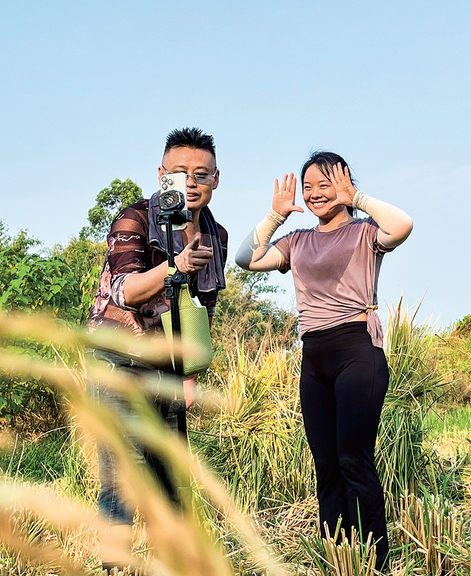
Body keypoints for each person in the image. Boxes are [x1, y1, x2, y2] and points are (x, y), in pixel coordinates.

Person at [235, 151, 412, 570]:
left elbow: (403, 225)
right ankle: (338, 556)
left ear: (346, 184)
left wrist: (359, 198)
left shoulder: (366, 233)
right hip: (314, 356)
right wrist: (275, 216)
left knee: (353, 456)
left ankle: (376, 559)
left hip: (357, 349)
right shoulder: (297, 241)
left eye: (325, 185)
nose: (314, 194)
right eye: (308, 186)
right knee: (326, 463)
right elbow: (247, 259)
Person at [87, 127, 227, 573]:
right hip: (120, 361)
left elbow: (201, 311)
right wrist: (177, 265)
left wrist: (189, 375)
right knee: (123, 477)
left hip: (169, 366)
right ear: (161, 174)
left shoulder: (215, 233)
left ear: (216, 180)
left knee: (172, 479)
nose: (191, 182)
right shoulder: (135, 218)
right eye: (180, 172)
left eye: (201, 174)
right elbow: (126, 290)